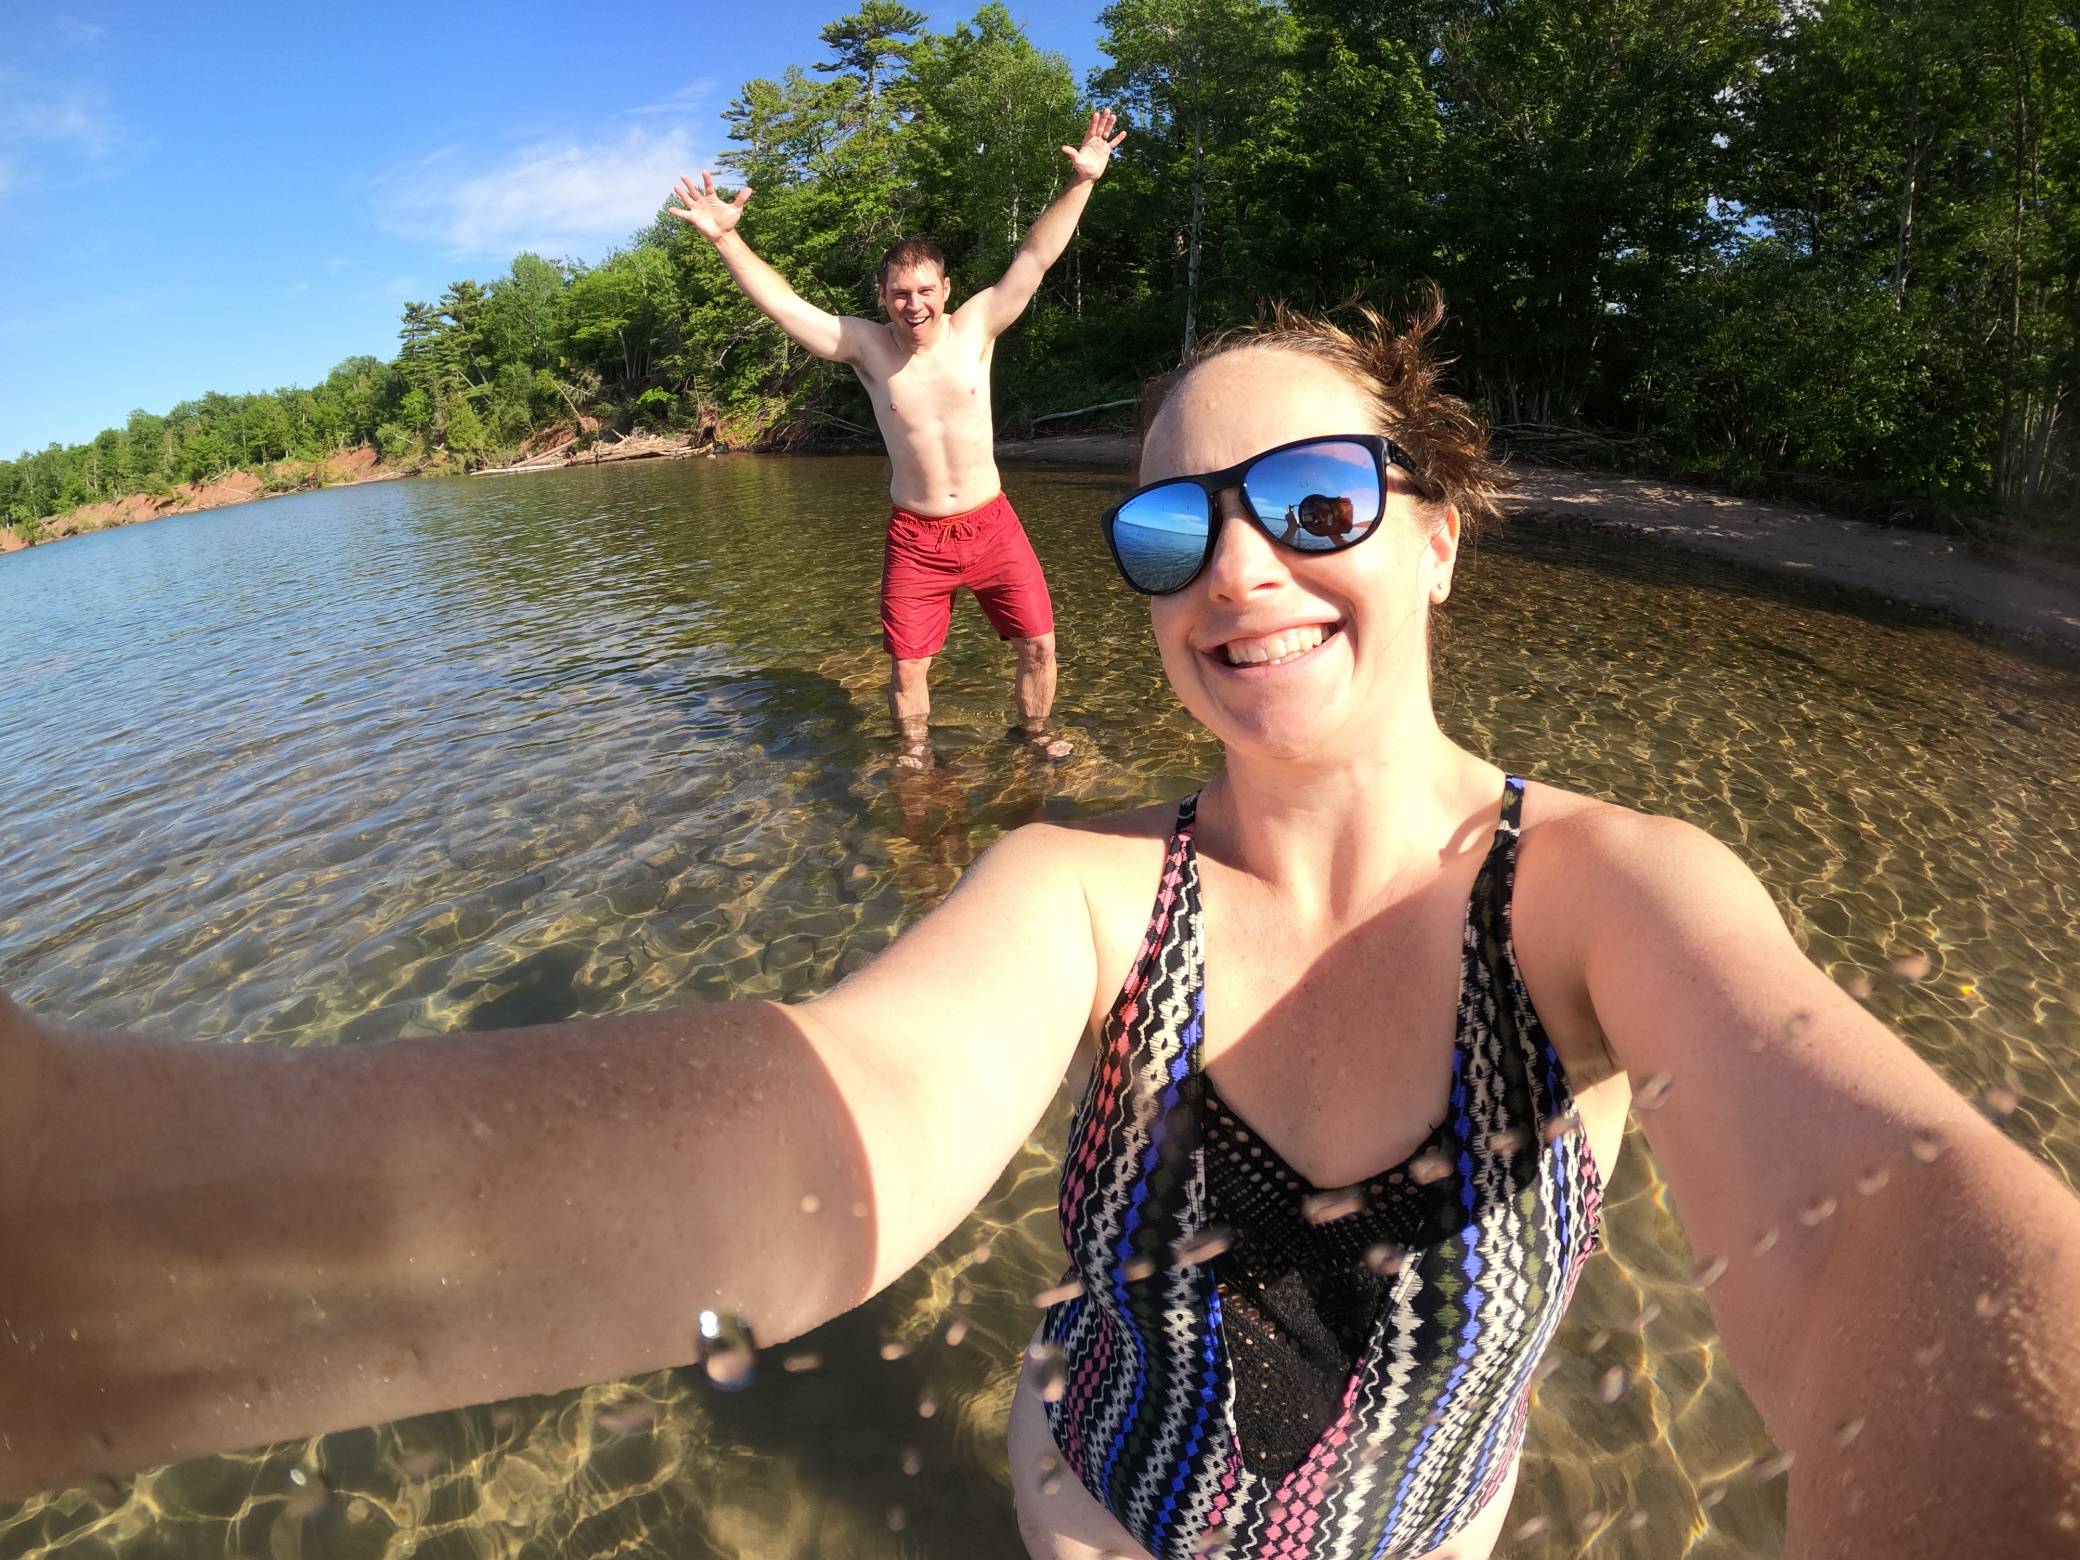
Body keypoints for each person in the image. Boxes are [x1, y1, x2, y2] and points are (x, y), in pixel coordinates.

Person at [3, 301, 2079, 1560]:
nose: (1237, 568)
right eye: (1174, 527)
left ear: (1439, 537)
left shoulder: (1608, 898)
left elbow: (1880, 1231)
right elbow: (828, 1120)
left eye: (1317, 501)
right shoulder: (1080, 893)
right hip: (1088, 1502)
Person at [667, 110, 1128, 768]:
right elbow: (785, 305)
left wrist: (1082, 181)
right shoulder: (866, 347)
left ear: (946, 288)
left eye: (924, 290)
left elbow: (1034, 256)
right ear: (882, 296)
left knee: (1040, 644)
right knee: (909, 667)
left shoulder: (977, 327)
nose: (914, 305)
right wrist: (726, 240)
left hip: (993, 524)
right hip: (917, 536)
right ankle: (914, 752)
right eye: (899, 294)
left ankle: (1033, 736)